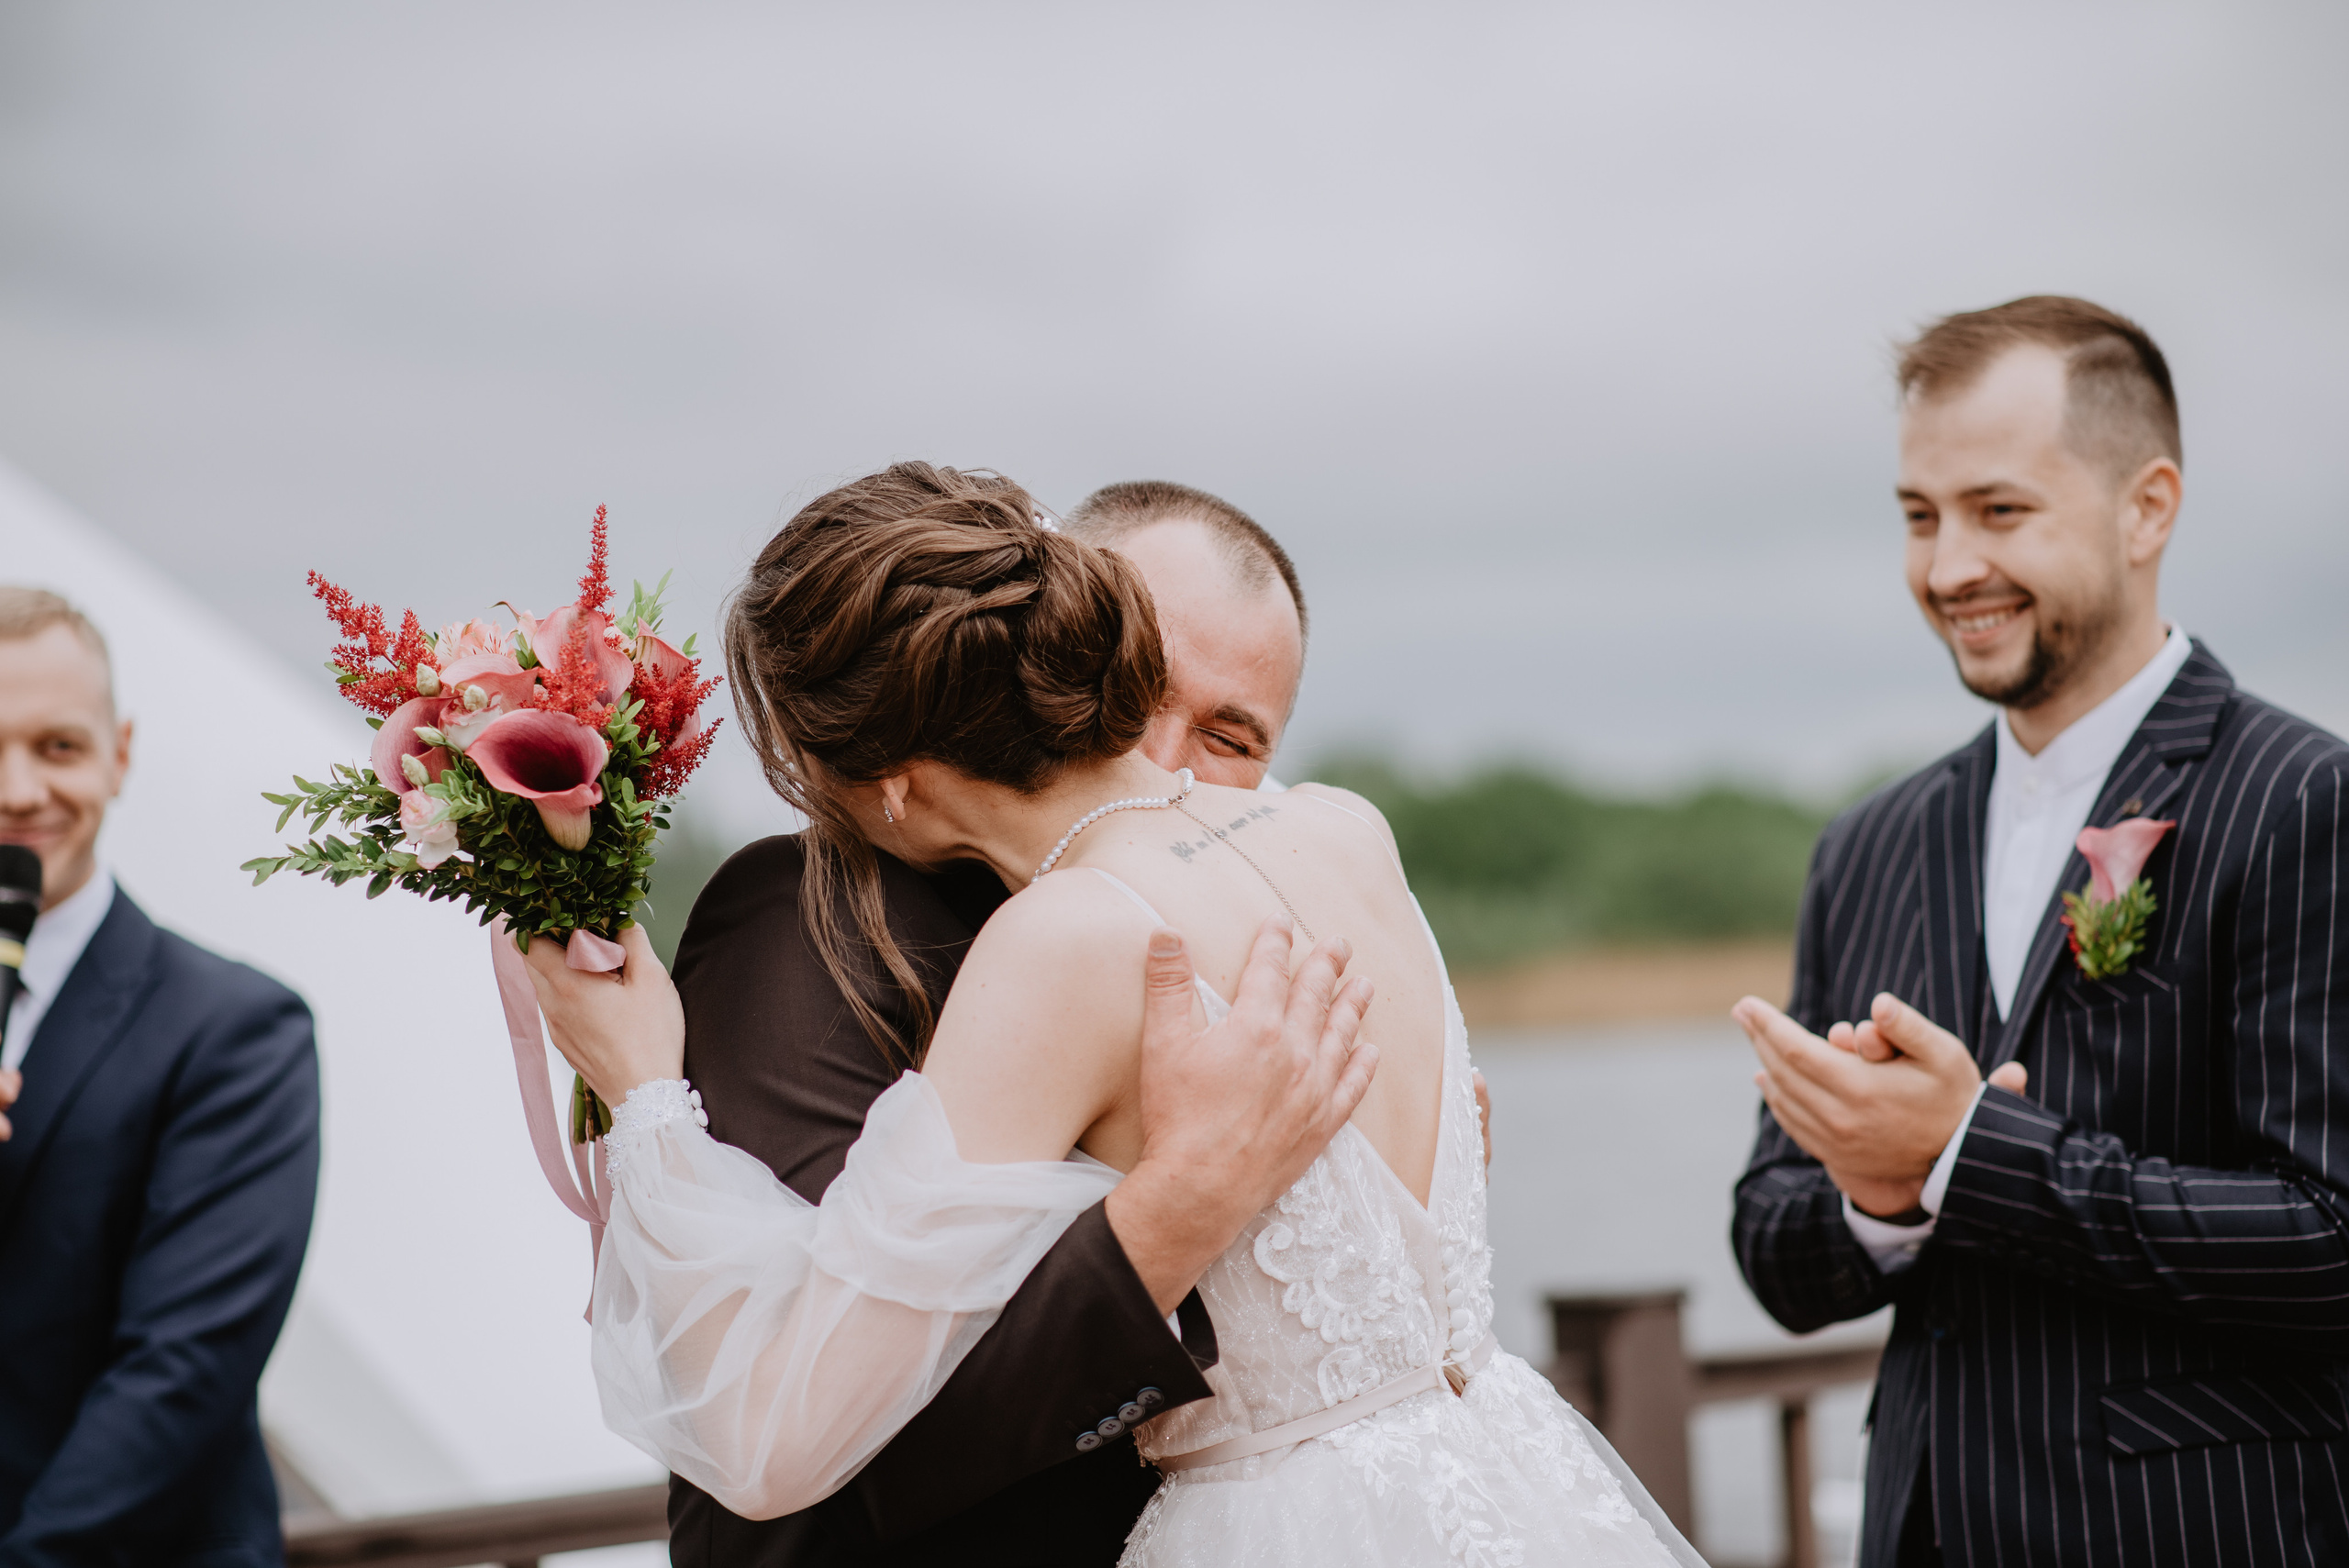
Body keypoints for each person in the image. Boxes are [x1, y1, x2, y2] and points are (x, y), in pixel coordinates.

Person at [527, 463, 1702, 1567]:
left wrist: (645, 1099)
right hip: (1507, 1486)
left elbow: (775, 1442)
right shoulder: (1347, 832)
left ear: (883, 780)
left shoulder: (1070, 936)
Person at [1730, 297, 2349, 1566]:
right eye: (1920, 514)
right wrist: (1880, 1197)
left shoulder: (2303, 799)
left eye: (1998, 511)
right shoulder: (1869, 846)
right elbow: (1776, 1252)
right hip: (1928, 1533)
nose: (1949, 565)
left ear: (2148, 508)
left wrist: (1968, 1154)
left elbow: (2329, 1238)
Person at [651, 472, 1341, 1566]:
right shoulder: (808, 921)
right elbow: (793, 1473)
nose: (1159, 763)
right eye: (1139, 692)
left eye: (1228, 735)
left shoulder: (1292, 900)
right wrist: (1177, 1211)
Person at [0, 588, 320, 1564]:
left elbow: (182, 1372)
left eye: (57, 745)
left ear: (119, 753)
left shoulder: (236, 1029)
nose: (18, 789)